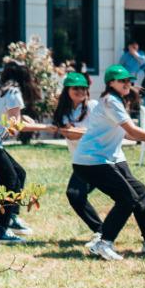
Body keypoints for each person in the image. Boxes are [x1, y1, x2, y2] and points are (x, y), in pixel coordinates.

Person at [71, 65, 145, 261]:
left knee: (140, 192)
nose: (127, 84)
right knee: (127, 199)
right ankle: (104, 243)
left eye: (129, 81)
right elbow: (134, 132)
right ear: (110, 83)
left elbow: (128, 133)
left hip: (102, 159)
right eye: (122, 81)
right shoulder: (110, 101)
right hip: (91, 161)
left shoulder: (115, 102)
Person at [0, 61, 52, 245]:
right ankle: (1, 231)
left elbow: (4, 116)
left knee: (19, 173)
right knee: (11, 180)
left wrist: (22, 118)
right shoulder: (14, 92)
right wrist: (46, 127)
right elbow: (13, 127)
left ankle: (12, 218)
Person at [52, 73, 104, 241]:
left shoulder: (93, 106)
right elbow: (71, 135)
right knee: (75, 194)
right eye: (76, 88)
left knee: (129, 196)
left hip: (101, 161)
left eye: (83, 88)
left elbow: (74, 133)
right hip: (82, 163)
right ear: (67, 90)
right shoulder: (64, 112)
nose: (80, 91)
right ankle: (101, 230)